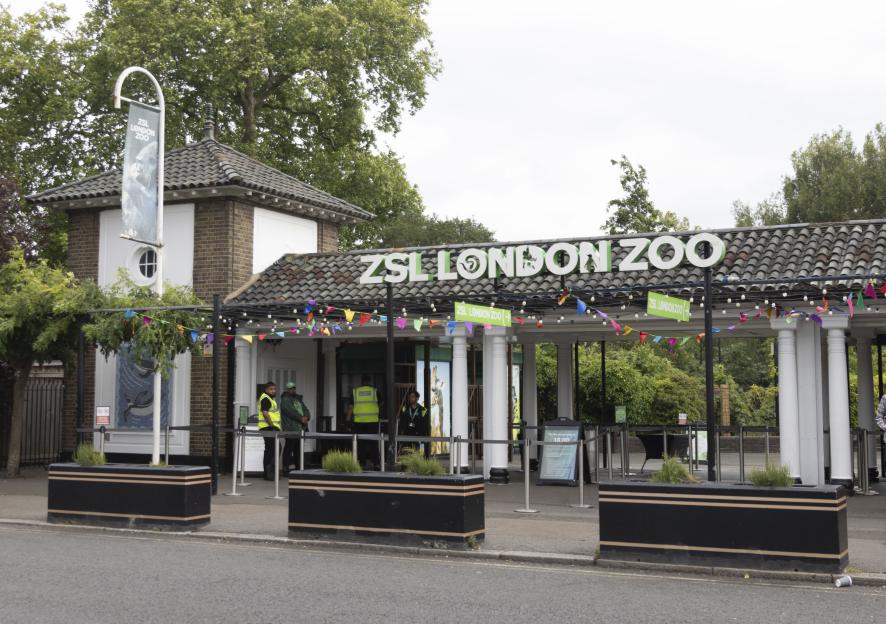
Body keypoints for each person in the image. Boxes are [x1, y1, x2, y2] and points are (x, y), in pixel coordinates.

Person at [346, 375, 381, 469]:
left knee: (360, 443)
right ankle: (376, 464)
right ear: (370, 382)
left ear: (362, 382)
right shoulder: (375, 391)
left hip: (359, 422)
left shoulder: (355, 392)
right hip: (373, 421)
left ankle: (362, 463)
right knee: (374, 443)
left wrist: (348, 420)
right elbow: (381, 404)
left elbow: (350, 407)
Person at [280, 381, 310, 472]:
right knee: (289, 448)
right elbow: (291, 412)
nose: (293, 390)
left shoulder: (298, 399)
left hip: (301, 428)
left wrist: (307, 417)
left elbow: (306, 409)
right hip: (291, 428)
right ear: (287, 390)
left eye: (294, 388)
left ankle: (299, 469)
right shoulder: (285, 400)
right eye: (290, 389)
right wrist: (301, 418)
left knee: (298, 449)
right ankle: (286, 469)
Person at [257, 381, 281, 480]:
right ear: (266, 390)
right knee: (273, 449)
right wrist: (272, 425)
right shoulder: (266, 398)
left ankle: (268, 473)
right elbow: (265, 413)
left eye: (274, 389)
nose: (273, 391)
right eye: (271, 389)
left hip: (269, 427)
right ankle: (269, 473)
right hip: (268, 427)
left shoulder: (270, 399)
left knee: (271, 450)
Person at [398, 389, 428, 455]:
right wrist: (400, 434)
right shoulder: (405, 408)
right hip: (407, 435)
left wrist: (423, 437)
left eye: (412, 396)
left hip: (417, 436)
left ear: (417, 398)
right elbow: (402, 423)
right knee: (406, 454)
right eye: (409, 397)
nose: (410, 398)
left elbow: (425, 425)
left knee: (417, 454)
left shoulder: (423, 410)